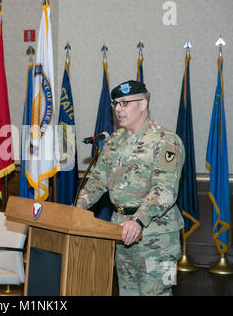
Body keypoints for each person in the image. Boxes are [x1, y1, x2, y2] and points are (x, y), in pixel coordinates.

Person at [76, 80, 185, 296]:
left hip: (157, 237)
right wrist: (75, 211)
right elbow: (98, 180)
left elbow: (164, 190)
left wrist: (138, 220)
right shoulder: (115, 140)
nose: (118, 109)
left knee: (158, 294)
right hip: (120, 232)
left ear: (143, 104)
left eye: (125, 103)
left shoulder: (165, 140)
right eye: (115, 103)